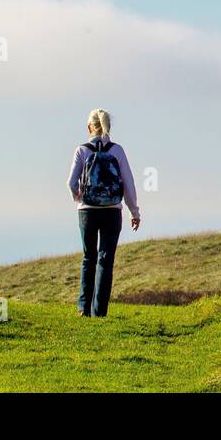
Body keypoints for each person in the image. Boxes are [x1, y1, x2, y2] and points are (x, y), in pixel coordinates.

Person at [67, 108, 140, 317]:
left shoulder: (82, 150)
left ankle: (83, 308)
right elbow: (128, 183)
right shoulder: (117, 151)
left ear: (89, 127)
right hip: (112, 212)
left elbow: (70, 183)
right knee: (105, 259)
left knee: (88, 257)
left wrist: (79, 197)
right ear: (108, 127)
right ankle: (99, 311)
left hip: (87, 211)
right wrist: (134, 212)